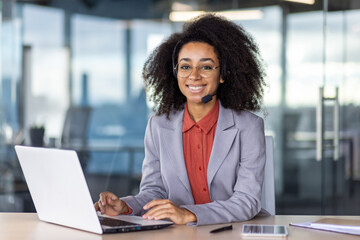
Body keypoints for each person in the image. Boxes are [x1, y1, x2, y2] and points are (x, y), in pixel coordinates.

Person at [95, 13, 267, 226]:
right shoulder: (158, 126)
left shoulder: (248, 127)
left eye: (205, 66)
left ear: (222, 74)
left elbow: (246, 201)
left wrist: (188, 213)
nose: (194, 76)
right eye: (185, 67)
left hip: (231, 230)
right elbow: (153, 191)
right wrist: (125, 206)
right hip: (178, 233)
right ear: (175, 73)